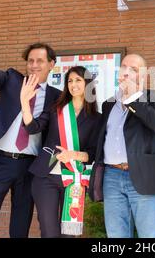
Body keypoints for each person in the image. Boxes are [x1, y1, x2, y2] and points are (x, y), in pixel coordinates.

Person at [0, 34, 61, 238]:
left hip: (30, 166)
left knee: (21, 220)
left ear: (51, 64)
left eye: (40, 61)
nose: (34, 65)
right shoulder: (11, 80)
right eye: (31, 61)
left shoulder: (56, 97)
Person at [88, 54, 155, 238]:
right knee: (116, 235)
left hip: (144, 175)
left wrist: (133, 97)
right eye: (123, 67)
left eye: (133, 69)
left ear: (143, 75)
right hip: (112, 177)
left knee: (151, 235)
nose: (126, 72)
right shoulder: (108, 104)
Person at [20, 66, 101, 237]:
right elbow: (34, 128)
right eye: (70, 81)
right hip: (46, 176)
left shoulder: (96, 118)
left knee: (69, 232)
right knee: (49, 231)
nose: (73, 84)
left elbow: (93, 153)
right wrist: (25, 104)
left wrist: (74, 155)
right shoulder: (55, 109)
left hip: (75, 180)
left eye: (78, 80)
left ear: (87, 84)